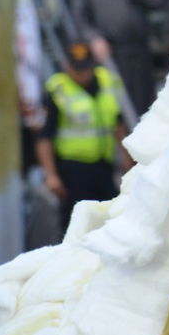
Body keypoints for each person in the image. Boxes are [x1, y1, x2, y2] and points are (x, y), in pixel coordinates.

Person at [71, 0, 169, 118]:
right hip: (109, 50)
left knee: (141, 104)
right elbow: (80, 13)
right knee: (114, 107)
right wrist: (93, 38)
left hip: (138, 49)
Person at [36, 41, 132, 236]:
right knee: (75, 225)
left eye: (86, 69)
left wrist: (126, 159)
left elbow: (117, 123)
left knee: (110, 218)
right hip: (73, 170)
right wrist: (51, 175)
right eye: (77, 69)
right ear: (67, 65)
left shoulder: (107, 81)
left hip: (103, 164)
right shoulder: (58, 89)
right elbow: (44, 137)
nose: (82, 74)